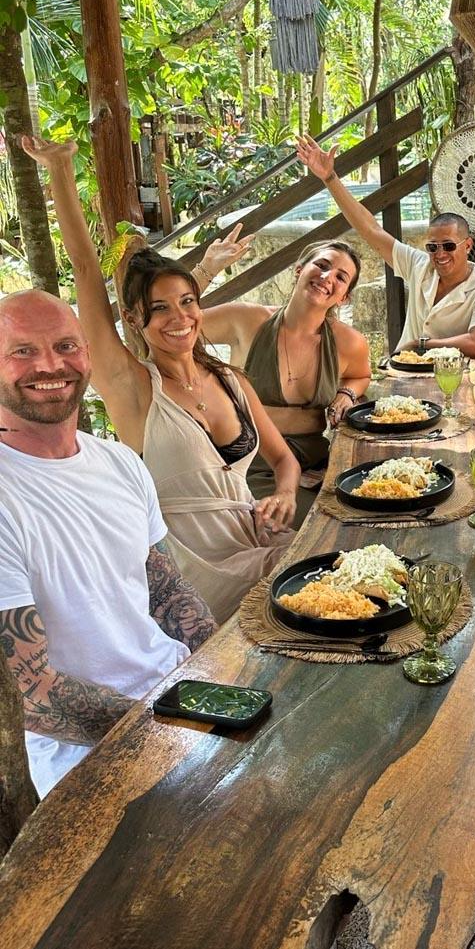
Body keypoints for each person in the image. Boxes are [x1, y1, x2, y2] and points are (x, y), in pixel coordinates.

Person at [22, 135, 299, 622]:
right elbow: (87, 271)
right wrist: (60, 171)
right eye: (160, 309)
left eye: (187, 303)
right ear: (134, 320)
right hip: (196, 577)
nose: (179, 318)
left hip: (259, 544)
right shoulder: (133, 387)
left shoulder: (230, 381)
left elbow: (283, 460)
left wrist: (285, 494)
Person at [0, 290, 217, 797]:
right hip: (85, 753)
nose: (50, 364)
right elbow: (32, 696)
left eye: (65, 345)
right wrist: (173, 724)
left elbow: (166, 591)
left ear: (88, 355)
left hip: (177, 697)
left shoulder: (120, 464)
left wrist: (222, 673)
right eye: (22, 351)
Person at [197, 234, 371, 527]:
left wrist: (346, 393)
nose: (327, 277)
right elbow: (173, 323)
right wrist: (206, 269)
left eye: (341, 277)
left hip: (318, 462)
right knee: (328, 526)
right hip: (255, 464)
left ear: (344, 296)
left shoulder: (348, 342)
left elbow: (360, 374)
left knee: (378, 506)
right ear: (299, 269)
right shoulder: (246, 320)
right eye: (322, 265)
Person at [295, 134, 475, 358]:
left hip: (453, 379)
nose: (440, 254)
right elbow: (370, 229)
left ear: (467, 245)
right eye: (433, 247)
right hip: (403, 374)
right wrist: (330, 177)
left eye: (449, 246)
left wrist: (420, 345)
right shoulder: (419, 265)